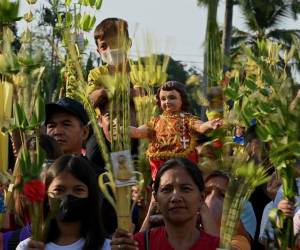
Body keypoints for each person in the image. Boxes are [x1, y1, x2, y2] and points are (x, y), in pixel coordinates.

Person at [110, 158, 220, 250]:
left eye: (185, 189)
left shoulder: (217, 247)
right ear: (156, 197)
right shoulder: (138, 244)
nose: (175, 197)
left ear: (201, 198)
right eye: (167, 189)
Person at [130, 81, 222, 180]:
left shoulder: (186, 119)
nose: (167, 102)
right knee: (163, 185)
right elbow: (138, 132)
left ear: (182, 99)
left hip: (183, 162)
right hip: (160, 163)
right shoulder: (156, 121)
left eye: (172, 97)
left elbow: (200, 127)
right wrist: (121, 129)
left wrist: (209, 124)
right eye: (163, 99)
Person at [16, 154, 111, 250]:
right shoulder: (28, 247)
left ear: (90, 195)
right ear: (47, 195)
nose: (68, 196)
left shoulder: (107, 247)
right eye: (59, 190)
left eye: (78, 190)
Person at [204, 171, 257, 249]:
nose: (212, 198)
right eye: (207, 192)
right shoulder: (188, 230)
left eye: (222, 195)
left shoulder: (239, 241)